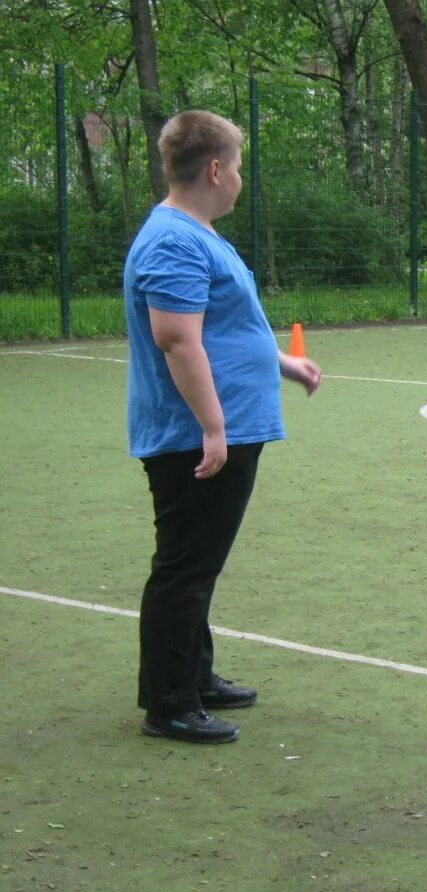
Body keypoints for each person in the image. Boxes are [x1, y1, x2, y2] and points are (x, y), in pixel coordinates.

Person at [124, 110, 322, 744]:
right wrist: (213, 426)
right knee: (184, 565)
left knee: (199, 563)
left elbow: (227, 328)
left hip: (227, 427)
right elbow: (179, 342)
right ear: (214, 169)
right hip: (199, 437)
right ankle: (169, 701)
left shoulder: (197, 234)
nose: (239, 177)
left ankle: (195, 676)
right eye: (236, 166)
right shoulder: (174, 241)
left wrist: (285, 363)